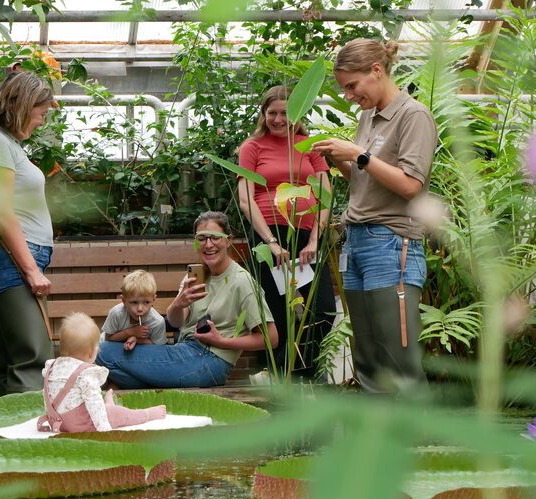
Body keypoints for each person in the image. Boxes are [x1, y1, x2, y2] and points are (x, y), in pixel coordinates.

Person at [312, 39, 437, 391]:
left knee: (398, 354)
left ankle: (418, 441)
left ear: (377, 71)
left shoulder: (413, 116)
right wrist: (345, 163)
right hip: (357, 242)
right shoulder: (368, 117)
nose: (349, 95)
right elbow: (366, 180)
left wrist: (360, 154)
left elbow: (412, 185)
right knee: (365, 353)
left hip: (391, 243)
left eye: (352, 85)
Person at [96, 211, 278, 388]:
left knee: (102, 351)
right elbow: (176, 322)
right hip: (184, 352)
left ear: (228, 240)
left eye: (214, 237)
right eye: (201, 238)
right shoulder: (196, 275)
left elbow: (271, 338)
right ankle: (146, 383)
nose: (208, 245)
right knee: (106, 357)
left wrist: (221, 341)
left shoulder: (242, 281)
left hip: (209, 359)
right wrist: (179, 304)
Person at [238, 85, 335, 379]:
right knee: (276, 316)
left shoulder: (309, 145)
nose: (279, 120)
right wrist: (271, 242)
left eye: (285, 113)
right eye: (272, 113)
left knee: (322, 311)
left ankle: (306, 371)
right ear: (263, 114)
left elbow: (325, 195)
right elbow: (245, 198)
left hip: (307, 237)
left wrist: (316, 240)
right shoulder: (252, 147)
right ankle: (281, 378)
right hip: (271, 238)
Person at [0, 72, 56, 399]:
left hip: (12, 260)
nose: (42, 120)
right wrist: (31, 269)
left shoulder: (3, 143)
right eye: (41, 112)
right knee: (32, 356)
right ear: (23, 105)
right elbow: (1, 211)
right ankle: (26, 444)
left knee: (4, 356)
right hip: (12, 260)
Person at [38, 313, 166, 433]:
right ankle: (148, 414)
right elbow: (94, 404)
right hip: (80, 424)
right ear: (90, 353)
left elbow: (48, 395)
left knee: (104, 407)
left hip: (58, 422)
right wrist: (105, 431)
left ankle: (108, 404)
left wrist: (52, 416)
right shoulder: (85, 374)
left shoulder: (51, 367)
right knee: (119, 414)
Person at [101, 270, 166, 351]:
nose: (140, 309)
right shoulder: (116, 313)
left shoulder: (157, 321)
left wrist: (136, 339)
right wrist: (130, 332)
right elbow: (108, 338)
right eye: (134, 302)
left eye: (146, 302)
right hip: (110, 347)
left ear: (153, 300)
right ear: (124, 301)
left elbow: (158, 346)